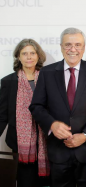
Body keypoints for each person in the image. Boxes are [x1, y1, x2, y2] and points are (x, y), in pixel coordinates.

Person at [29, 28, 86, 187]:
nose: (72, 49)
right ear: (61, 47)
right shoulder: (47, 73)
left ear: (84, 47)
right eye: (68, 45)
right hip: (58, 152)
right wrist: (52, 124)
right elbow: (36, 106)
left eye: (77, 45)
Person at [0, 39, 50, 187]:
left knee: (45, 182)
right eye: (24, 53)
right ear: (18, 57)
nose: (29, 57)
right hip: (19, 142)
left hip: (47, 141)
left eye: (32, 53)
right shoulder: (8, 82)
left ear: (38, 56)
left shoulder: (49, 79)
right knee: (25, 182)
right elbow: (2, 114)